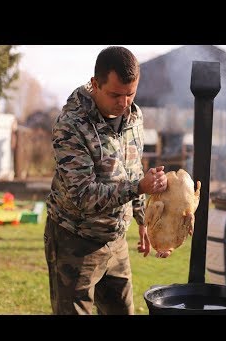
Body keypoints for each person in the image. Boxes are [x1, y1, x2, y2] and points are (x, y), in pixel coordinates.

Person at [44, 46, 169, 315]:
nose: (124, 103)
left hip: (116, 241)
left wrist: (144, 220)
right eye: (115, 94)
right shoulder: (70, 125)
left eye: (130, 93)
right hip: (75, 240)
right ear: (94, 84)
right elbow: (83, 194)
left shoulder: (135, 117)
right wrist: (138, 187)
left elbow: (133, 169)